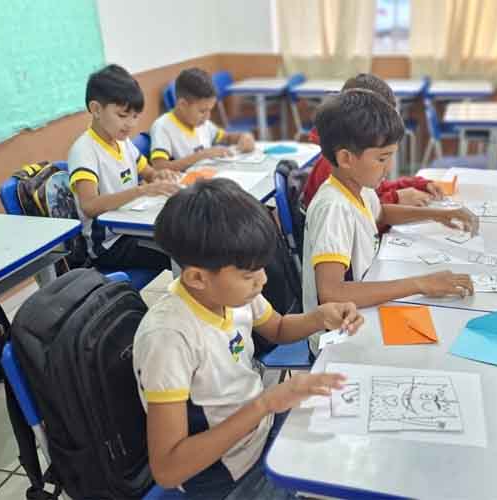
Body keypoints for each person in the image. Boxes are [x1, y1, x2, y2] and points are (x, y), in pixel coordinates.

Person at [134, 178, 363, 499]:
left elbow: (279, 328)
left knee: (350, 451)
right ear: (196, 277)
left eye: (261, 269)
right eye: (248, 275)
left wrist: (319, 317)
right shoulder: (169, 338)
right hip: (223, 476)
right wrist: (266, 403)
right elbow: (168, 468)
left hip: (260, 432)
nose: (263, 280)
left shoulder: (234, 294)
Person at [303, 89, 477, 352]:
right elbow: (332, 292)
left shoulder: (357, 188)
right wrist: (420, 284)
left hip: (363, 311)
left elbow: (382, 213)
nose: (389, 167)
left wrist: (438, 214)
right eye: (382, 158)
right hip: (338, 336)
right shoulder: (334, 208)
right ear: (346, 158)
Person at [68, 64, 178, 270]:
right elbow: (89, 206)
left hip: (134, 227)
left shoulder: (122, 142)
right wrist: (141, 190)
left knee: (189, 241)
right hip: (110, 245)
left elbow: (148, 172)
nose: (130, 124)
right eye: (122, 115)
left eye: (135, 116)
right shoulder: (84, 151)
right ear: (96, 109)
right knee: (183, 252)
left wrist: (159, 175)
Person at [301, 73, 444, 209]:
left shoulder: (354, 160)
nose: (390, 167)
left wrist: (416, 184)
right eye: (382, 159)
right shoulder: (333, 169)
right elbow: (363, 214)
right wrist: (396, 198)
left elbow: (375, 193)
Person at [149, 68, 255, 171]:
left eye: (210, 110)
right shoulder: (163, 126)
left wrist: (244, 136)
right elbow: (159, 167)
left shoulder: (202, 123)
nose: (207, 117)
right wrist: (202, 155)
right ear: (182, 104)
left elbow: (226, 138)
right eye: (202, 111)